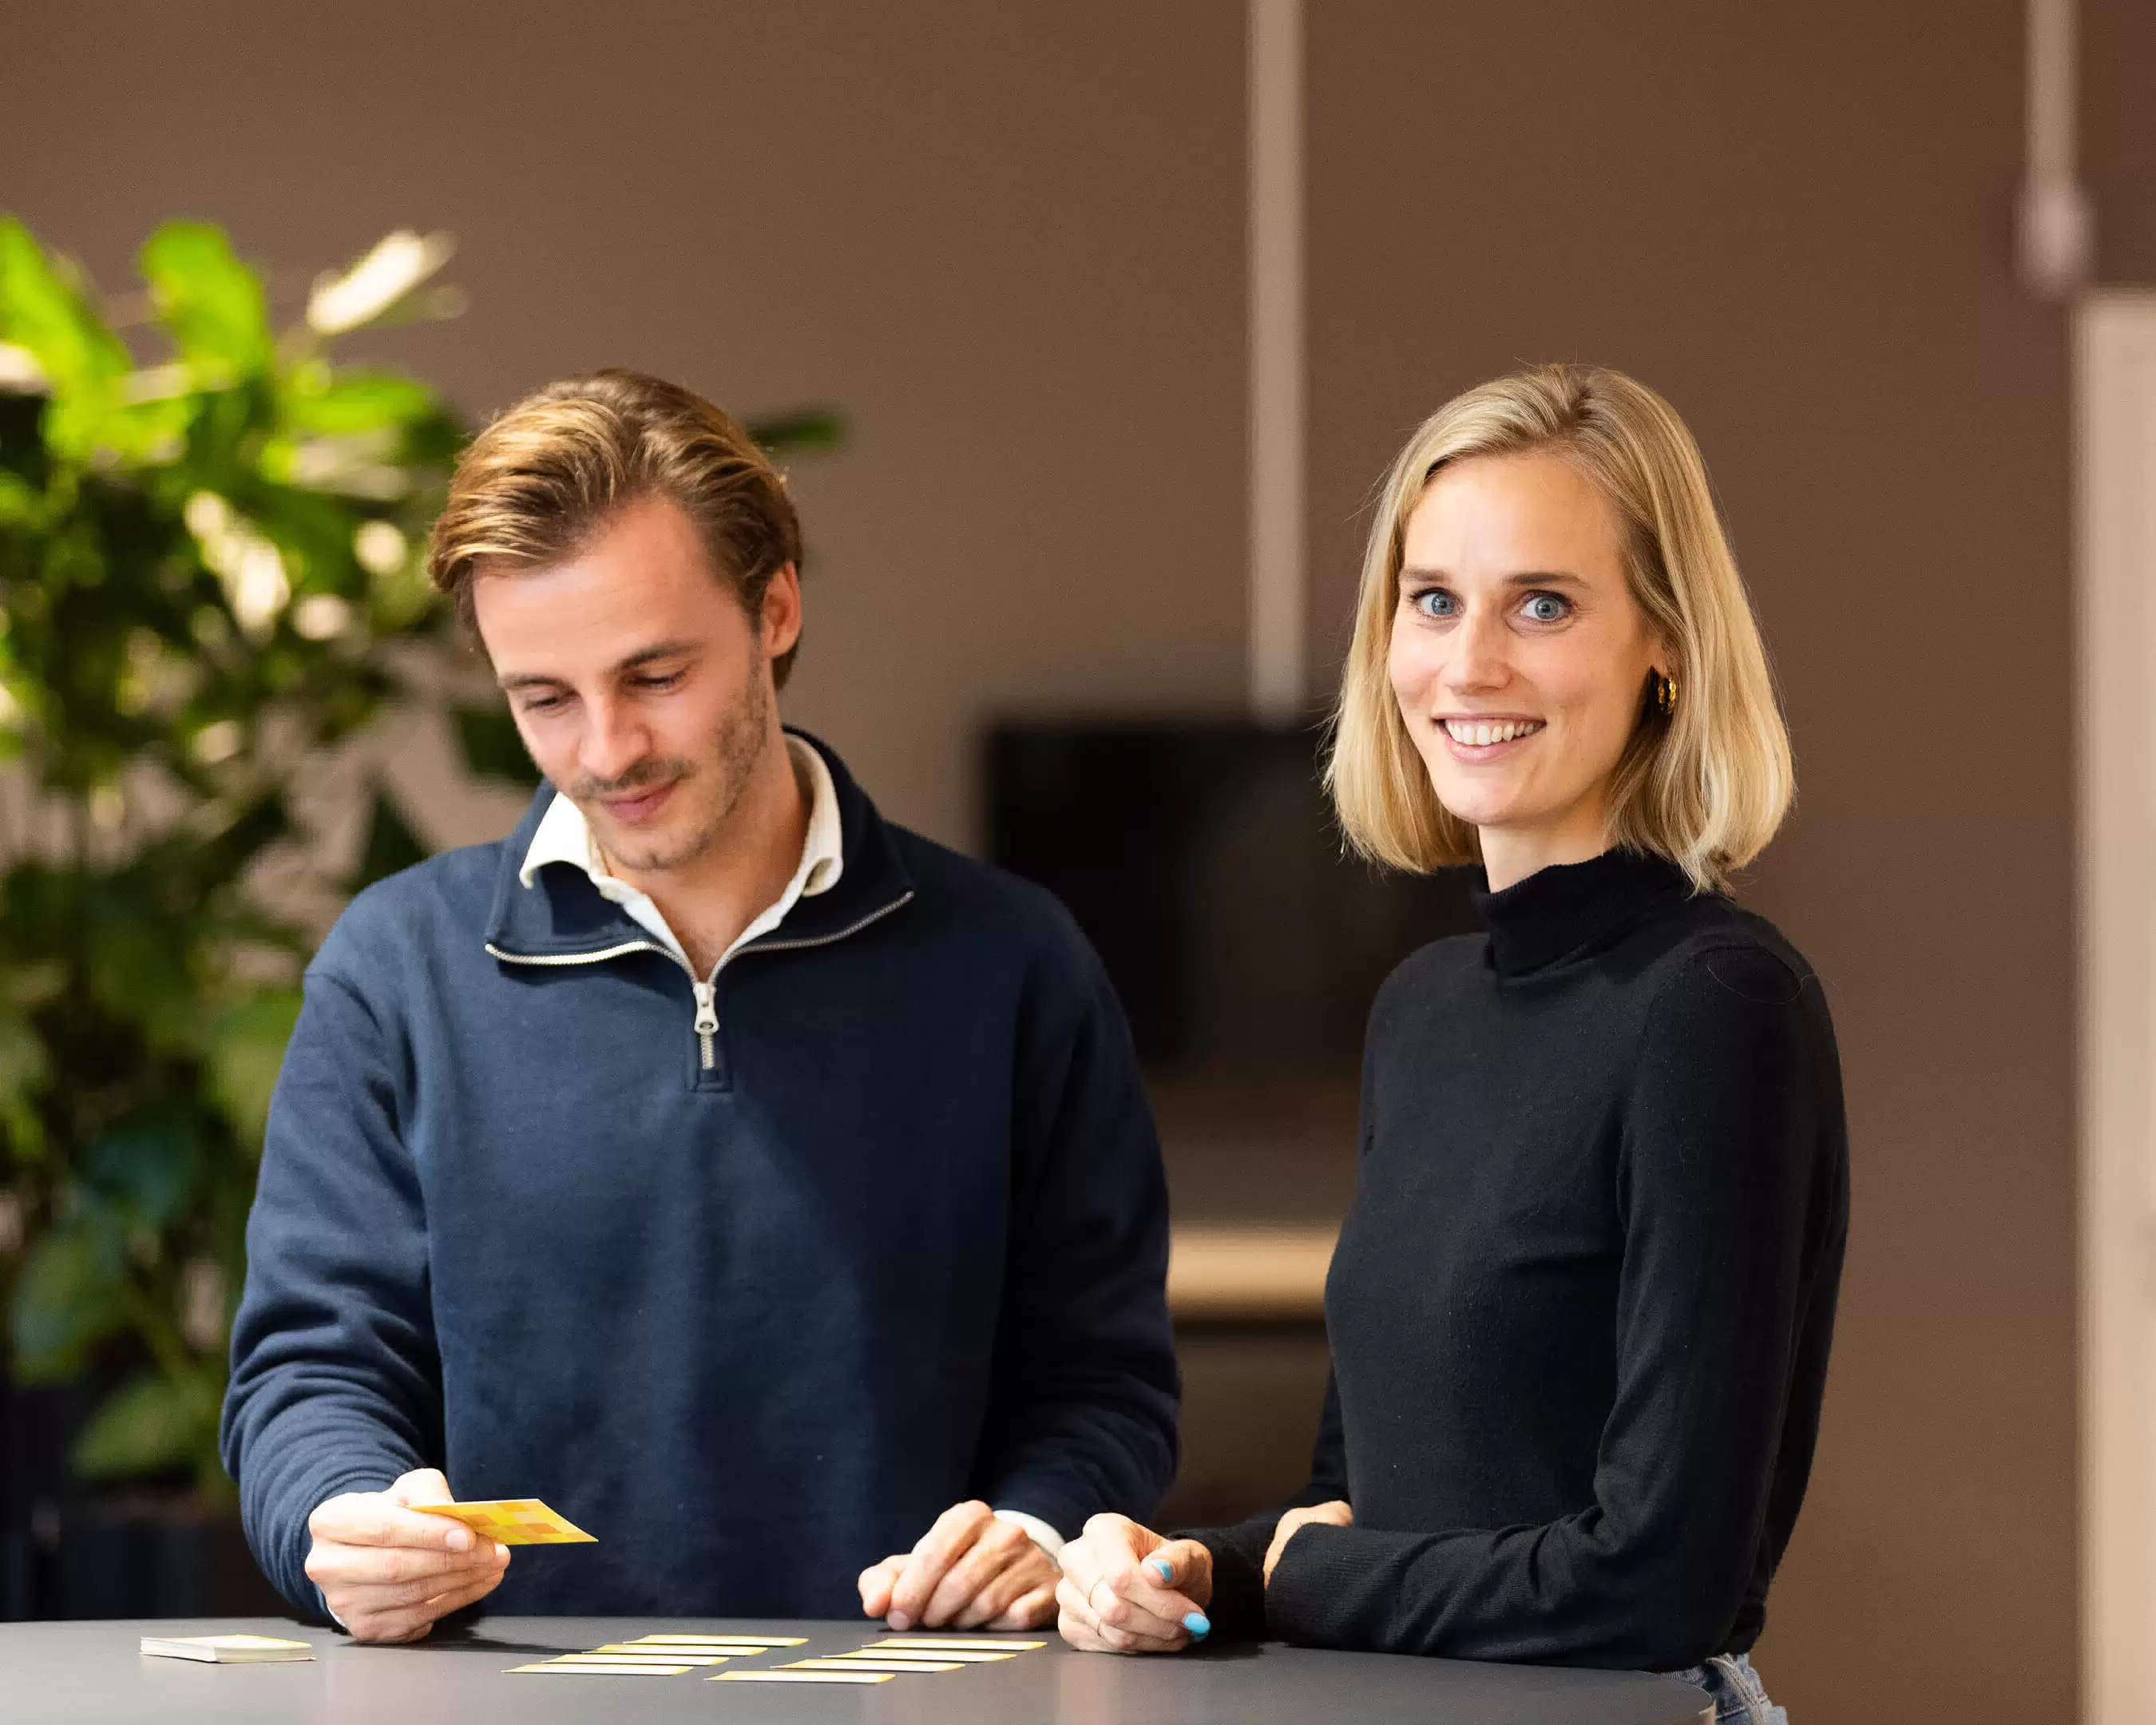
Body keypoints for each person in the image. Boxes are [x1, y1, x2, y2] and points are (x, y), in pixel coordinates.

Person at [221, 369, 1179, 1643]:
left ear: (775, 608)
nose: (607, 751)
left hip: (919, 1694)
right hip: (502, 1698)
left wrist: (1043, 1531)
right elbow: (309, 1371)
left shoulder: (1013, 965)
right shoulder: (398, 971)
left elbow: (1101, 1381)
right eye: (543, 701)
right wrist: (340, 1518)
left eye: (656, 674)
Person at [1053, 365, 1846, 1723]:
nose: (1469, 663)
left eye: (1542, 604)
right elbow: (1356, 1503)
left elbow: (1659, 1581)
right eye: (1433, 602)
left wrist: (1295, 1580)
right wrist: (1187, 1568)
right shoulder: (1423, 1010)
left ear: (1664, 644)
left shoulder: (1716, 1004)